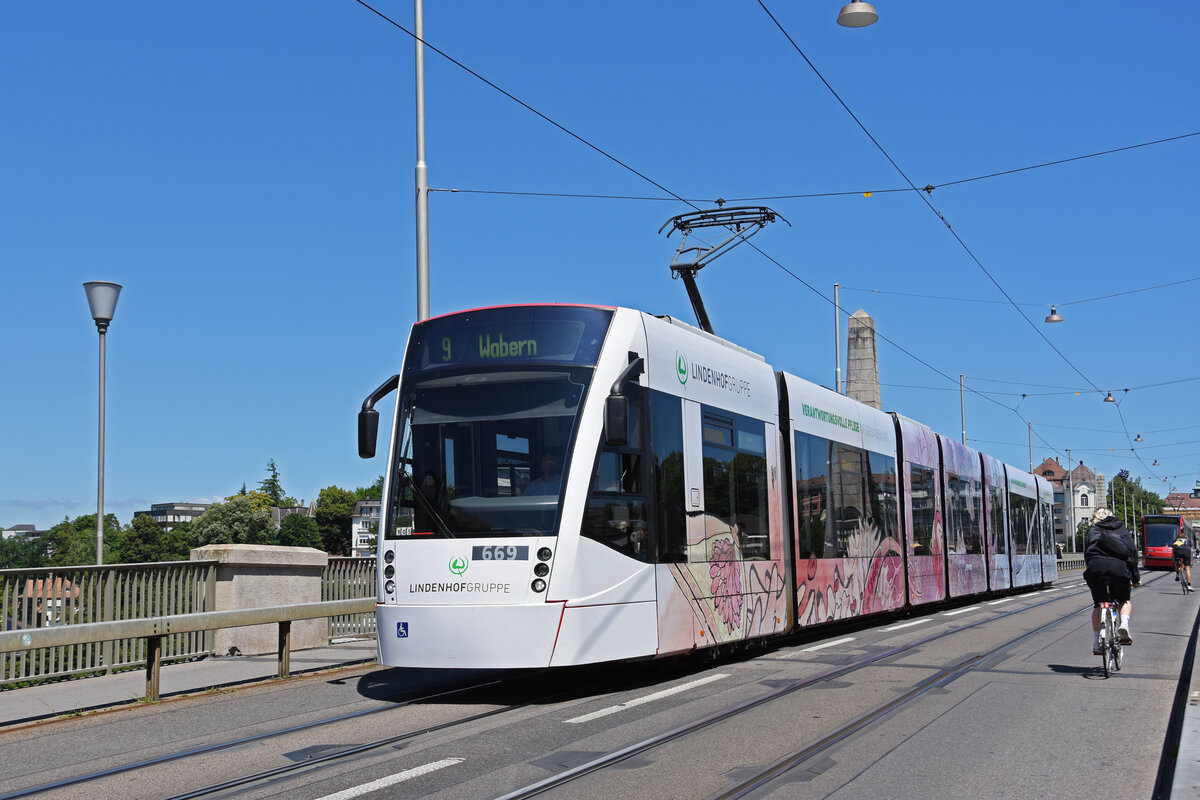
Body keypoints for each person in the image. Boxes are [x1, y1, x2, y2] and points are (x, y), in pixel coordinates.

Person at [1083, 507, 1140, 653]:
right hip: (1118, 568)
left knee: (1098, 605)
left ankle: (1097, 642)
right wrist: (1135, 578)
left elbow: (1087, 553)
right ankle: (1124, 624)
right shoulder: (1121, 529)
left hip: (1096, 567)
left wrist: (1091, 571)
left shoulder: (1094, 530)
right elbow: (1132, 553)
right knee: (1124, 600)